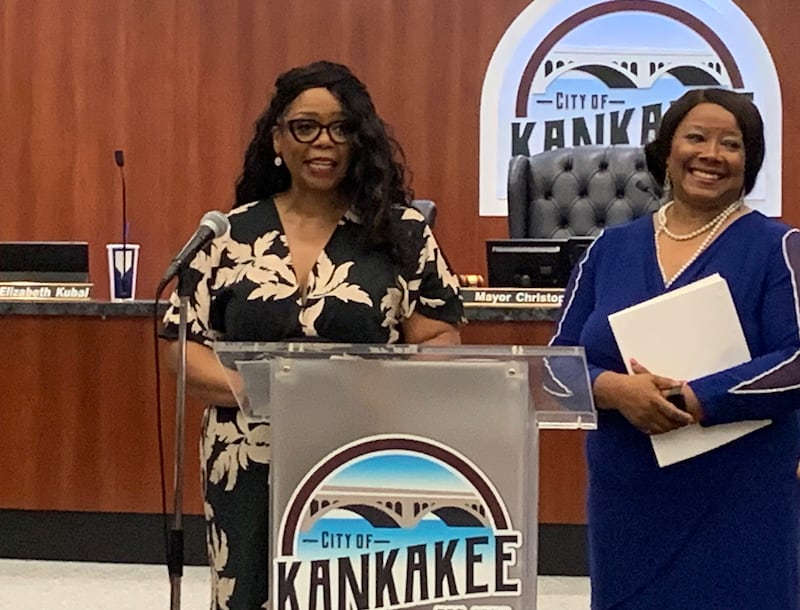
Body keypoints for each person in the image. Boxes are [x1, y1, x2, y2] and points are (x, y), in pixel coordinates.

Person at [160, 60, 464, 609]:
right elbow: (183, 347)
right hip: (246, 457)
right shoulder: (229, 232)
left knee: (354, 592)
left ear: (359, 140)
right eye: (305, 127)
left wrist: (393, 387)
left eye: (341, 128)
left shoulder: (400, 232)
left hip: (363, 450)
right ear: (278, 138)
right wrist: (265, 392)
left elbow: (439, 335)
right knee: (247, 593)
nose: (323, 142)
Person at [550, 88, 800, 609]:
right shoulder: (607, 250)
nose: (711, 153)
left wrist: (692, 398)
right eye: (696, 137)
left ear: (748, 162)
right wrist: (614, 389)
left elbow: (795, 362)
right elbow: (554, 369)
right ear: (667, 151)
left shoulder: (778, 247)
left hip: (739, 501)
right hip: (627, 501)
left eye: (731, 144)